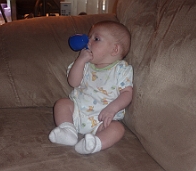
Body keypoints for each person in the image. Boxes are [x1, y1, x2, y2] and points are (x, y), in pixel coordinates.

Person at [49, 20, 133, 154]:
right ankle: (68, 131)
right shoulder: (85, 65)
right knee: (62, 103)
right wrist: (81, 60)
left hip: (102, 120)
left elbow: (127, 93)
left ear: (115, 49)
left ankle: (95, 144)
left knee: (118, 129)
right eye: (89, 37)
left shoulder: (121, 69)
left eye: (96, 39)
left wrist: (113, 108)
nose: (88, 42)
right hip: (77, 112)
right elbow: (73, 82)